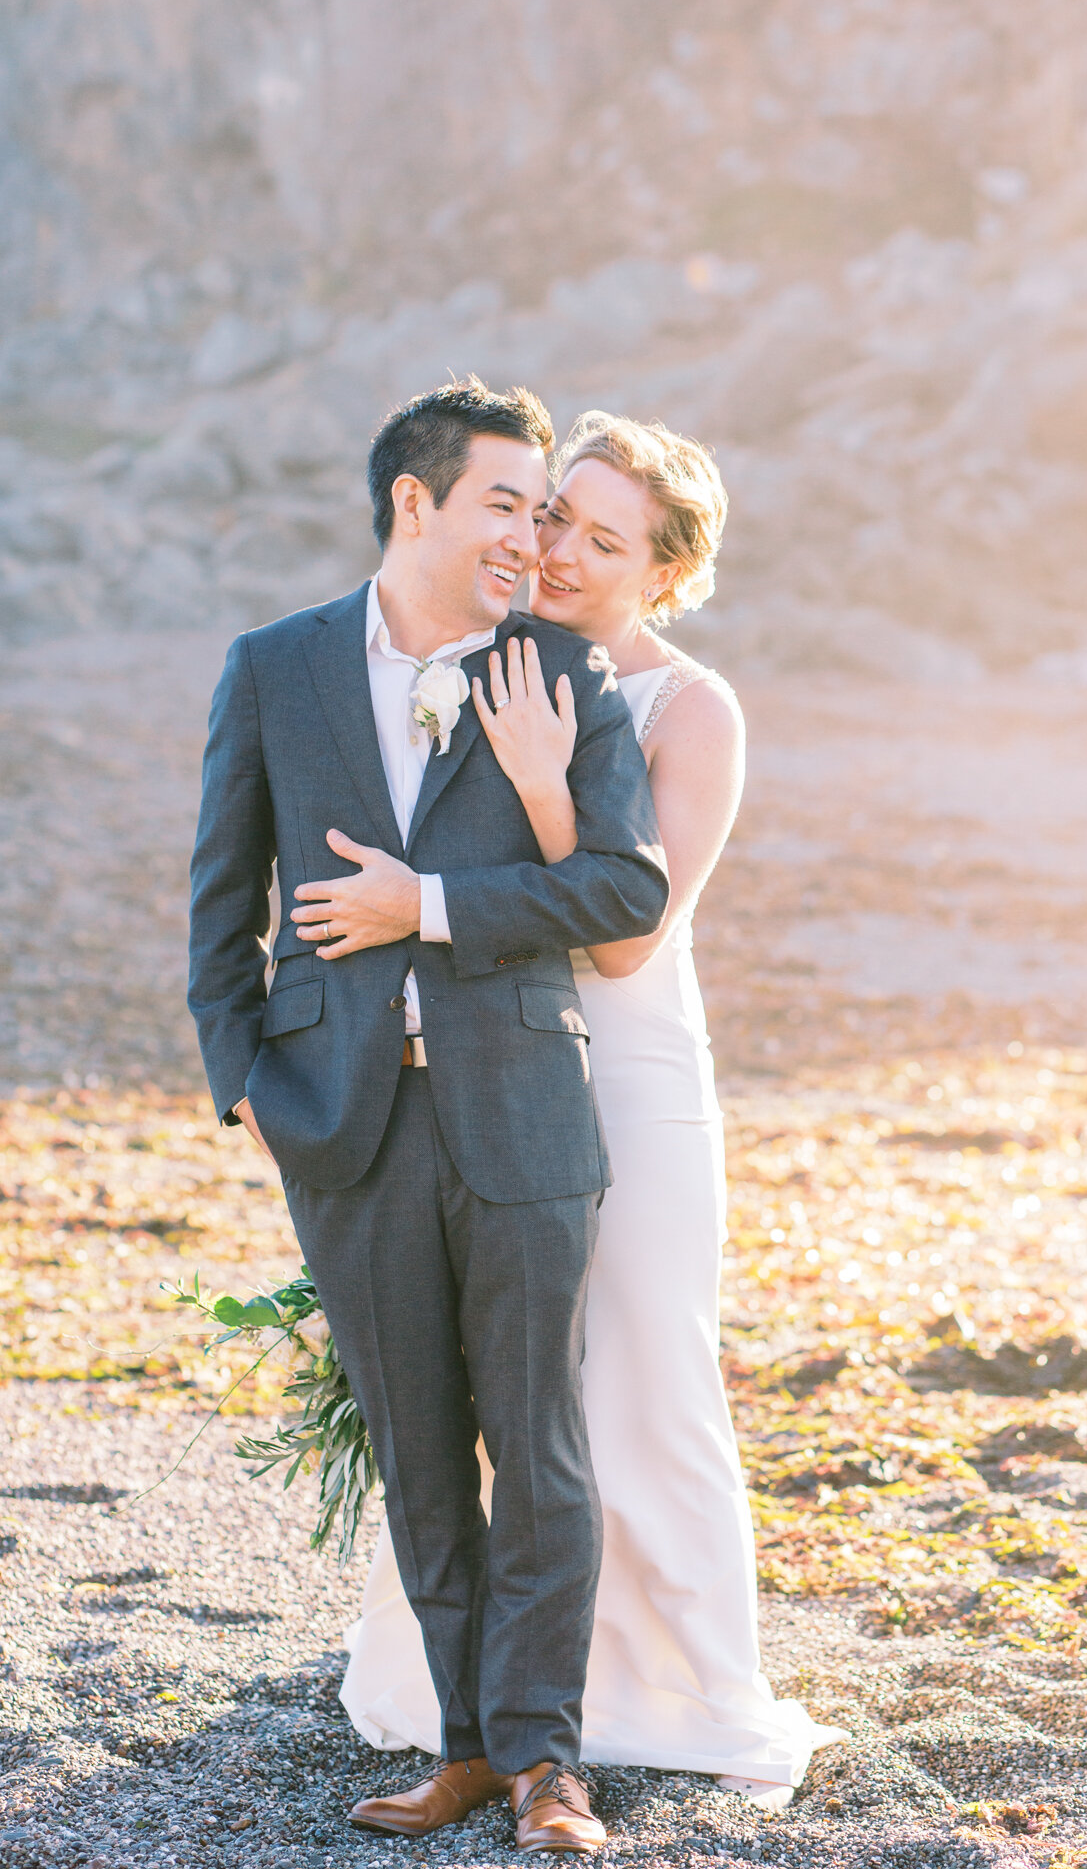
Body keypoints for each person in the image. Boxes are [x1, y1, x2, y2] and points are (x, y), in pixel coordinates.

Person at [188, 379, 670, 1857]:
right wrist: (250, 1090)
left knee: (537, 1446)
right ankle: (464, 1746)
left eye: (546, 509)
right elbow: (221, 907)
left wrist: (433, 906)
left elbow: (625, 891)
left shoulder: (559, 674)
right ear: (417, 503)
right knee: (415, 1443)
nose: (536, 536)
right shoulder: (274, 669)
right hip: (343, 1128)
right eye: (509, 504)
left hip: (522, 1112)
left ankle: (546, 1767)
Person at [340, 411, 842, 1810]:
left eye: (600, 539)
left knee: (639, 1372)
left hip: (623, 1070)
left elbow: (626, 939)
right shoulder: (466, 665)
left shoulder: (693, 709)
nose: (555, 550)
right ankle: (478, 1696)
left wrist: (545, 779)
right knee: (484, 1379)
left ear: (662, 574)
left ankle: (666, 1689)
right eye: (554, 514)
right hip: (482, 1070)